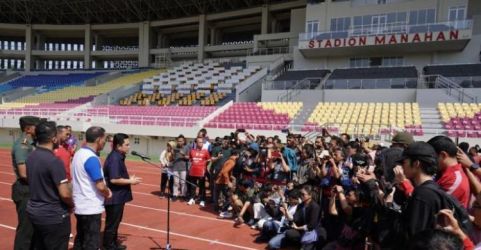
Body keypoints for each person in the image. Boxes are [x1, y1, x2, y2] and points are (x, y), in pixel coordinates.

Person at [26, 121, 74, 249]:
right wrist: (72, 204)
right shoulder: (54, 161)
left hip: (35, 212)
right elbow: (64, 193)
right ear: (53, 139)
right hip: (53, 215)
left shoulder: (31, 156)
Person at [398, 141, 460, 237]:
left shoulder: (423, 194)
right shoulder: (432, 189)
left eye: (404, 162)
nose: (401, 167)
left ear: (416, 164)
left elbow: (415, 235)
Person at [71, 126, 112, 250]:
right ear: (99, 139)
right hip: (90, 207)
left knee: (81, 239)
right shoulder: (91, 158)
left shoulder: (78, 153)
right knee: (91, 243)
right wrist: (108, 192)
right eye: (104, 139)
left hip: (80, 205)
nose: (105, 142)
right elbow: (100, 185)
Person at [103, 133, 142, 250]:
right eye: (127, 144)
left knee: (115, 222)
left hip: (117, 196)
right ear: (119, 146)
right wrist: (130, 181)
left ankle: (113, 244)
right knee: (112, 223)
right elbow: (114, 179)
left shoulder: (118, 156)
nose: (129, 147)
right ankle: (109, 246)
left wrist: (128, 179)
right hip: (114, 197)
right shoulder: (115, 158)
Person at [11, 115, 42, 250]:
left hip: (32, 189)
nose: (40, 128)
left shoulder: (33, 143)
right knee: (26, 231)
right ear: (29, 129)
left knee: (35, 230)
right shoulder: (23, 144)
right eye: (37, 126)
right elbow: (23, 174)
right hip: (25, 190)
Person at [268, 185, 321, 250]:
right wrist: (286, 210)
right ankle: (294, 243)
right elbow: (294, 218)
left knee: (290, 234)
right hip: (298, 231)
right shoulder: (301, 205)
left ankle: (301, 244)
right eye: (300, 194)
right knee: (272, 244)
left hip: (309, 233)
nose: (301, 196)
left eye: (303, 194)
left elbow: (311, 226)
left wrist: (298, 227)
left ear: (310, 195)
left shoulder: (315, 207)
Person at [427, 136, 470, 208]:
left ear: (443, 155)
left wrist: (405, 183)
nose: (429, 161)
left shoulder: (455, 180)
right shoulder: (442, 172)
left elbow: (428, 205)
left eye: (431, 157)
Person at [188, 137, 211, 207]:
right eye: (200, 142)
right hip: (193, 172)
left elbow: (209, 160)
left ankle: (202, 200)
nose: (201, 144)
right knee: (192, 186)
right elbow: (190, 160)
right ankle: (192, 198)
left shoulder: (205, 151)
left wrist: (204, 166)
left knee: (202, 187)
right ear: (196, 143)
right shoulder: (192, 151)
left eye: (202, 142)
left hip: (201, 172)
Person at [172, 135, 190, 200]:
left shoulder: (186, 148)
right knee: (175, 182)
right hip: (175, 167)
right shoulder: (175, 148)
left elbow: (188, 157)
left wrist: (183, 154)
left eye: (181, 141)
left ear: (184, 141)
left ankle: (183, 195)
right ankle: (175, 194)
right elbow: (173, 157)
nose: (180, 142)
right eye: (178, 141)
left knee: (183, 182)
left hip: (183, 168)